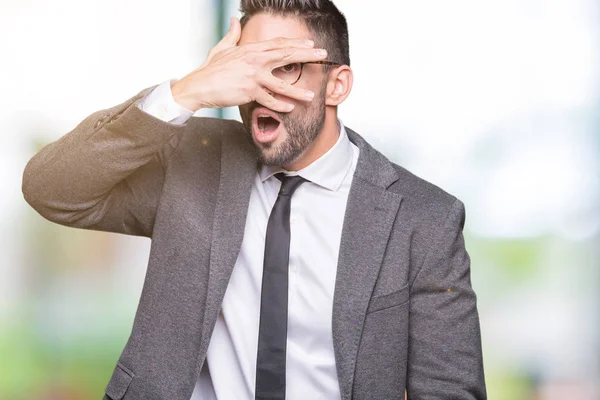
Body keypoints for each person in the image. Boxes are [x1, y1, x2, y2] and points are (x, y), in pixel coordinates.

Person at [21, 0, 486, 399]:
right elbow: (53, 189)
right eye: (248, 69)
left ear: (337, 85)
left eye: (285, 68)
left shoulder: (424, 219)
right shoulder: (192, 161)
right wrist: (190, 90)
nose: (262, 90)